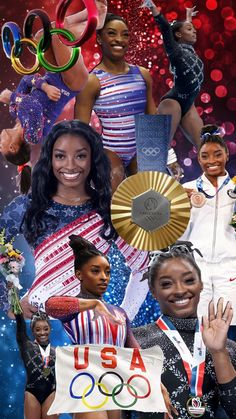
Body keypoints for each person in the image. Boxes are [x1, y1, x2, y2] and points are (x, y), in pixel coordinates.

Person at [0, 120, 149, 321]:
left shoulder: (110, 211)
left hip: (90, 335)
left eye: (80, 156)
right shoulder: (25, 207)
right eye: (60, 156)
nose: (70, 165)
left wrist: (123, 318)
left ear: (93, 160)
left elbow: (143, 269)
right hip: (37, 331)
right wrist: (11, 302)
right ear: (50, 159)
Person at [45, 235, 174, 419]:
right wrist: (93, 305)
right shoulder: (73, 308)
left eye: (107, 272)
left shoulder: (119, 312)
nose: (103, 278)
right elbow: (51, 305)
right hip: (85, 384)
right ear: (79, 274)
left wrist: (157, 384)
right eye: (95, 271)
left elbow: (134, 353)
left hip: (114, 386)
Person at [0, 0, 108, 193]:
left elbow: (27, 78)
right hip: (69, 83)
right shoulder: (32, 135)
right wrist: (12, 96)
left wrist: (40, 85)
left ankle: (90, 16)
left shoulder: (15, 113)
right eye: (2, 148)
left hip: (53, 74)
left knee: (42, 35)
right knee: (57, 34)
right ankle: (93, 22)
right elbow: (32, 104)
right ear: (13, 148)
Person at [133, 243, 236, 418]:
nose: (180, 290)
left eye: (189, 280)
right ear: (153, 291)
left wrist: (219, 353)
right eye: (167, 284)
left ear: (201, 285)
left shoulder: (228, 348)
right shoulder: (135, 341)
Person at [74, 12, 157, 191]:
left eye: (125, 34)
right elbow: (80, 130)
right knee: (115, 206)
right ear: (99, 38)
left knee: (151, 201)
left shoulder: (142, 74)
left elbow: (153, 121)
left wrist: (165, 160)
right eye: (111, 33)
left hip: (140, 152)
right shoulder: (92, 81)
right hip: (110, 153)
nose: (119, 39)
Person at [180, 124, 236, 326]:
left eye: (217, 154)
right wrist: (177, 209)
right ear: (198, 158)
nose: (211, 161)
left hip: (231, 270)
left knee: (230, 332)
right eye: (205, 156)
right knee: (199, 330)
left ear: (227, 155)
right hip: (196, 270)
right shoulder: (185, 190)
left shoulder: (235, 190)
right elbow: (174, 236)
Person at [141, 1, 204, 157]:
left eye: (194, 29)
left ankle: (217, 180)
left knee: (206, 148)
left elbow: (184, 27)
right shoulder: (176, 52)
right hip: (173, 102)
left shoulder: (189, 50)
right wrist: (152, 7)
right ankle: (150, 177)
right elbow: (165, 28)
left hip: (189, 106)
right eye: (190, 29)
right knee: (160, 148)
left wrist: (188, 16)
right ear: (178, 34)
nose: (194, 31)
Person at [15, 311, 57, 419]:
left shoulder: (57, 352)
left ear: (50, 329)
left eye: (45, 329)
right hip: (32, 394)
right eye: (37, 329)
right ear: (32, 330)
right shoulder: (27, 346)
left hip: (51, 394)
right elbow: (20, 325)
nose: (42, 332)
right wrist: (17, 311)